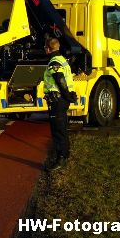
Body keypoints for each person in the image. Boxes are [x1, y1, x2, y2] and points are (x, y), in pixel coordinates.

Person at [43, 37, 77, 172]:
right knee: (62, 128)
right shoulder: (63, 60)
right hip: (61, 101)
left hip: (57, 101)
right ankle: (65, 154)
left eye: (45, 47)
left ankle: (60, 159)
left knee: (58, 130)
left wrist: (67, 95)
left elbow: (60, 80)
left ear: (48, 48)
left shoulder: (54, 62)